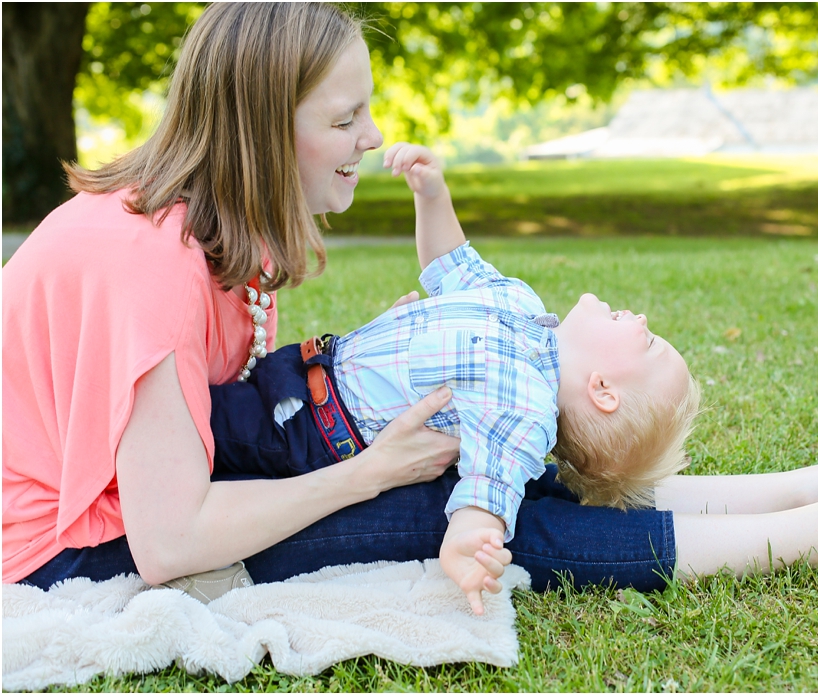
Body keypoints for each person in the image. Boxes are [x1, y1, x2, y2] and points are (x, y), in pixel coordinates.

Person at [3, 3, 818, 618]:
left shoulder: (208, 240)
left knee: (489, 459)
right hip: (66, 550)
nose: (368, 136)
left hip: (150, 500)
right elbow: (170, 537)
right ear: (267, 129)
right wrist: (370, 469)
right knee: (485, 509)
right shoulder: (145, 267)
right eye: (344, 119)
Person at [186, 140, 698, 601]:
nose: (644, 319)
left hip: (310, 433)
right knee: (200, 407)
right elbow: (451, 264)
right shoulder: (520, 303)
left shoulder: (526, 407)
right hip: (302, 372)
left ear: (603, 389)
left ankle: (145, 489)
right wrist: (432, 194)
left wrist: (470, 545)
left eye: (649, 343)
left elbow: (488, 490)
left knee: (197, 430)